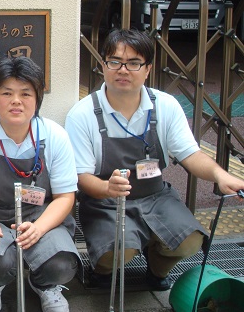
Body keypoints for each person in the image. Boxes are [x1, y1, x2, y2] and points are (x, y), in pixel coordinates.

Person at [65, 28, 244, 290]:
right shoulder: (82, 115)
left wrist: (221, 175)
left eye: (134, 63)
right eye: (115, 61)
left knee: (190, 240)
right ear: (103, 65)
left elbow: (190, 154)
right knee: (115, 254)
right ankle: (103, 270)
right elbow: (80, 177)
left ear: (147, 69)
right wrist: (106, 188)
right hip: (107, 203)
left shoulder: (165, 105)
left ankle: (157, 268)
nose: (123, 70)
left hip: (156, 197)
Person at [0, 56, 80, 312]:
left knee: (63, 264)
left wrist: (40, 228)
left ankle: (45, 286)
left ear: (38, 98)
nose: (16, 101)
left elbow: (66, 196)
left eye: (25, 93)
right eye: (7, 93)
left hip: (41, 216)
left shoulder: (55, 136)